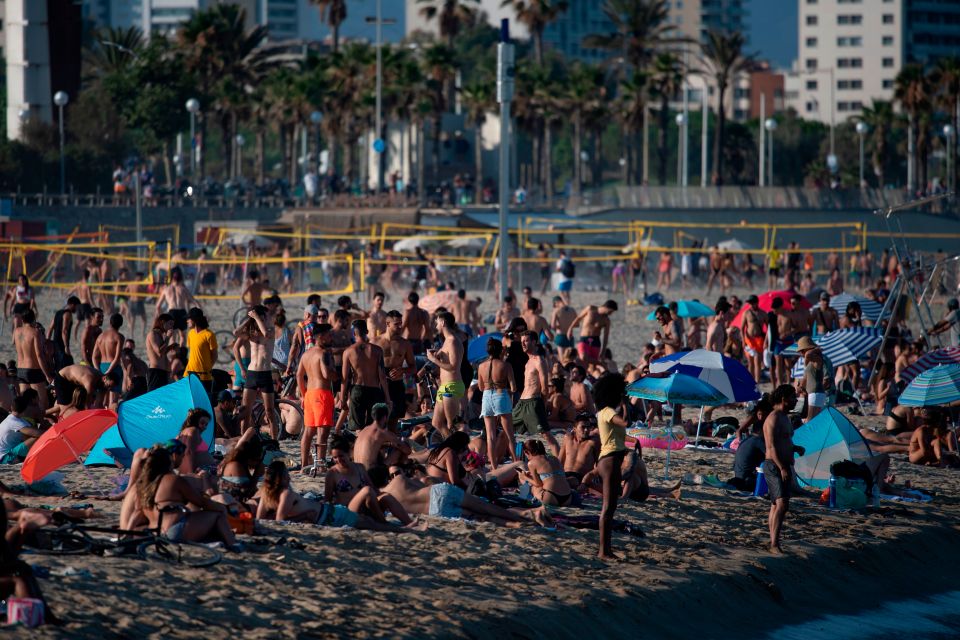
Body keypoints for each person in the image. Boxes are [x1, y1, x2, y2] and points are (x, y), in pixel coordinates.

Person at [135, 445, 239, 549]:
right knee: (217, 515)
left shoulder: (143, 484)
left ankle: (213, 541)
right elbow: (201, 502)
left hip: (154, 531)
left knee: (193, 509)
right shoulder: (173, 480)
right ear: (167, 462)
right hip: (173, 531)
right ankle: (233, 545)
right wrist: (221, 508)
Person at [258, 461, 407, 532]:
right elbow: (279, 521)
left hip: (328, 512)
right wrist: (304, 515)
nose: (289, 478)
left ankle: (401, 527)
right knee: (369, 523)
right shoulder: (286, 493)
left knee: (367, 521)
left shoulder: (266, 494)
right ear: (282, 477)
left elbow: (260, 520)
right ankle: (408, 530)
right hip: (329, 516)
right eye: (287, 474)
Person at [593, 373, 629, 560]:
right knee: (608, 507)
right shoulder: (608, 412)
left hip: (610, 459)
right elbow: (625, 421)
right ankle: (603, 551)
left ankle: (605, 549)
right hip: (609, 460)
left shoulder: (605, 411)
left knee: (610, 506)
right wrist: (625, 403)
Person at [762, 384, 798, 554]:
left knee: (776, 505)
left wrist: (795, 448)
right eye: (793, 397)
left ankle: (773, 540)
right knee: (782, 504)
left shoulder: (785, 417)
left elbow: (784, 441)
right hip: (774, 465)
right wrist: (782, 467)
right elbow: (771, 447)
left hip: (784, 464)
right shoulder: (773, 418)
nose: (796, 400)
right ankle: (774, 544)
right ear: (784, 399)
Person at [476, 338, 517, 468]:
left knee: (490, 436)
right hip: (501, 395)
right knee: (510, 434)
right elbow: (514, 387)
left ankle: (493, 467)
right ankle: (516, 462)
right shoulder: (506, 365)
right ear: (500, 350)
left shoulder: (481, 366)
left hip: (487, 396)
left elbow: (481, 388)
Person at [236, 305, 276, 438]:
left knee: (269, 411)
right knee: (245, 411)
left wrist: (257, 317)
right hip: (252, 373)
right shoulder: (250, 331)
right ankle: (243, 438)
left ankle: (274, 440)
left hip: (265, 373)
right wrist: (249, 320)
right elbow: (236, 333)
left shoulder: (270, 329)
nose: (266, 318)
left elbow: (265, 333)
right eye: (263, 315)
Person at [374, 311, 415, 428]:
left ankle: (392, 445)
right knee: (378, 422)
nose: (400, 326)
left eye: (401, 323)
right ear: (387, 324)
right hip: (379, 385)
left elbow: (413, 367)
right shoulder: (375, 342)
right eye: (397, 324)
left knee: (393, 421)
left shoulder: (405, 344)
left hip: (396, 383)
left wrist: (403, 371)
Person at [427, 312, 464, 437]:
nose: (436, 325)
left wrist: (434, 360)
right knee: (436, 423)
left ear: (442, 323)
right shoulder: (447, 341)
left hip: (452, 386)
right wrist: (436, 355)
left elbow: (453, 367)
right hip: (444, 387)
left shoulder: (453, 341)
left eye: (437, 322)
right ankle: (449, 446)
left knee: (451, 425)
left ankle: (456, 451)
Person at [512, 331, 551, 437]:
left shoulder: (539, 360)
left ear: (534, 342)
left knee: (546, 436)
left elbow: (545, 387)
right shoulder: (528, 362)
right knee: (506, 431)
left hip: (533, 402)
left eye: (526, 341)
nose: (523, 344)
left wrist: (543, 405)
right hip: (521, 403)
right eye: (522, 342)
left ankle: (559, 454)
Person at [728, 398, 773, 491]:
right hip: (746, 480)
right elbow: (771, 457)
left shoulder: (753, 439)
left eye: (762, 414)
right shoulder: (759, 440)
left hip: (738, 475)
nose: (760, 416)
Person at [13, 309, 54, 411]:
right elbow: (39, 355)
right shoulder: (35, 332)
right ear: (34, 319)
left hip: (20, 370)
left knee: (25, 404)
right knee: (43, 403)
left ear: (22, 320)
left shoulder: (16, 331)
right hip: (33, 371)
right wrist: (47, 375)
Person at [518, 439, 572, 506]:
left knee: (531, 486)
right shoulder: (555, 459)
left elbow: (538, 484)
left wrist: (525, 477)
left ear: (527, 452)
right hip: (567, 498)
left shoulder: (531, 463)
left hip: (550, 497)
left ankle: (524, 498)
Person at [154, 267, 198, 343]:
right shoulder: (183, 289)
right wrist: (200, 311)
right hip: (182, 312)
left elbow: (158, 306)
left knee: (172, 338)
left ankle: (174, 353)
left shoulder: (166, 289)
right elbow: (193, 301)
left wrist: (161, 317)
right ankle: (181, 354)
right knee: (183, 336)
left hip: (172, 313)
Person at [567, 300, 618, 364]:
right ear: (606, 307)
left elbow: (606, 337)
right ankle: (601, 364)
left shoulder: (606, 320)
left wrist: (603, 352)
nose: (610, 314)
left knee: (591, 366)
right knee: (583, 358)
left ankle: (598, 365)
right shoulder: (590, 309)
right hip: (584, 339)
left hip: (595, 342)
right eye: (610, 311)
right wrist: (570, 329)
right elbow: (578, 318)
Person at [92, 312, 125, 408]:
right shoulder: (119, 336)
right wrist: (109, 371)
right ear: (121, 324)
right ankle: (111, 422)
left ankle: (97, 421)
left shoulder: (100, 336)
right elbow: (117, 357)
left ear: (110, 322)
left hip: (101, 367)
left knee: (99, 399)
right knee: (113, 400)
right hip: (113, 368)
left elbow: (94, 357)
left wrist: (98, 370)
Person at [183, 307, 218, 396]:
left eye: (189, 319)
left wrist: (207, 368)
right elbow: (192, 353)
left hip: (204, 376)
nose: (187, 321)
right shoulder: (190, 333)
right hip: (189, 373)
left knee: (203, 405)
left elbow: (214, 355)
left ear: (194, 320)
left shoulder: (209, 334)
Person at [0, 395, 43, 464]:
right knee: (36, 437)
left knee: (31, 437)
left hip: (9, 452)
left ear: (12, 407)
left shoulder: (12, 418)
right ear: (26, 409)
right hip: (5, 457)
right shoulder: (15, 422)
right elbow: (38, 434)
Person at [559, 417, 598, 486]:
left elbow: (600, 464)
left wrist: (589, 478)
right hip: (565, 475)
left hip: (581, 478)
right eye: (583, 427)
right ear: (574, 429)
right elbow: (560, 460)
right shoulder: (567, 439)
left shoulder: (592, 443)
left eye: (588, 427)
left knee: (571, 481)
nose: (586, 430)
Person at [146, 313, 177, 391]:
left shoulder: (160, 335)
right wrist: (168, 337)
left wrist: (171, 347)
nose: (171, 327)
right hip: (155, 372)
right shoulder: (152, 334)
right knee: (154, 398)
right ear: (163, 322)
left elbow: (163, 352)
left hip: (163, 372)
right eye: (170, 324)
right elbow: (159, 352)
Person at [48, 296, 79, 369]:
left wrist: (48, 342)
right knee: (66, 367)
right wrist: (66, 346)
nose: (77, 309)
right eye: (77, 307)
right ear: (72, 305)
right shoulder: (68, 314)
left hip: (55, 344)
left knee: (58, 366)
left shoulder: (58, 313)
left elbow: (50, 328)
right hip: (62, 345)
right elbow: (64, 331)